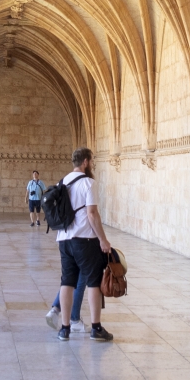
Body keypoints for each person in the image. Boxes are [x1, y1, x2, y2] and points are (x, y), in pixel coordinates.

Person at [54, 147, 113, 342]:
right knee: (93, 282)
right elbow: (92, 214)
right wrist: (103, 240)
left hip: (64, 240)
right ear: (85, 162)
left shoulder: (62, 181)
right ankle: (96, 328)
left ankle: (64, 329)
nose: (93, 163)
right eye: (92, 160)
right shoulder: (89, 183)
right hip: (85, 239)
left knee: (67, 282)